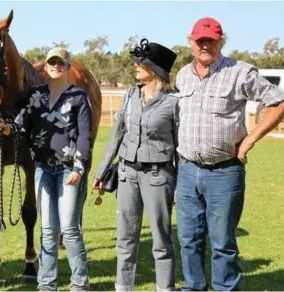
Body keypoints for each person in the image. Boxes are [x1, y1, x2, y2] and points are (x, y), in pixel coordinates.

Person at [174, 17, 284, 291]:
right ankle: (193, 287)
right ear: (191, 42)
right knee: (189, 239)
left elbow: (279, 102)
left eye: (211, 41)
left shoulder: (240, 72)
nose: (205, 46)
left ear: (220, 42)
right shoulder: (182, 75)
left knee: (222, 243)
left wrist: (249, 140)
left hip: (224, 172)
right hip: (188, 170)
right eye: (200, 40)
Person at [0, 47, 92, 291]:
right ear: (47, 67)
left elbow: (85, 136)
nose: (55, 66)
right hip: (42, 169)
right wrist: (8, 128)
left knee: (70, 229)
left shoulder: (79, 97)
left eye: (60, 63)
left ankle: (79, 284)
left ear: (67, 66)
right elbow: (22, 123)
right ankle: (46, 284)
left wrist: (79, 169)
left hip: (68, 170)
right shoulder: (36, 96)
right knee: (48, 230)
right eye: (52, 62)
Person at [92, 38, 179, 291]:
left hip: (158, 177)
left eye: (141, 63)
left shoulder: (174, 103)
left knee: (161, 241)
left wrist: (180, 183)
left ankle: (165, 288)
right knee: (125, 239)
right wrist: (100, 171)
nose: (136, 67)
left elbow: (181, 148)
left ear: (155, 70)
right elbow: (116, 136)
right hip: (126, 174)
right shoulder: (129, 96)